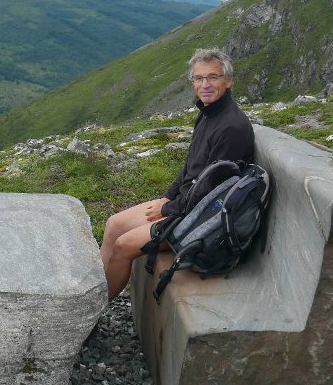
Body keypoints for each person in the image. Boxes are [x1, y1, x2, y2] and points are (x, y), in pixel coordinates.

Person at [100, 48, 255, 301]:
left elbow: (210, 192)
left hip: (199, 219)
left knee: (123, 246)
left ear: (228, 81)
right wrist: (167, 197)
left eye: (213, 77)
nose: (204, 85)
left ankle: (96, 308)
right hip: (183, 206)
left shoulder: (232, 128)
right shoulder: (207, 115)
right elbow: (189, 168)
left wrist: (170, 209)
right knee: (113, 224)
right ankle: (88, 298)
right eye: (198, 78)